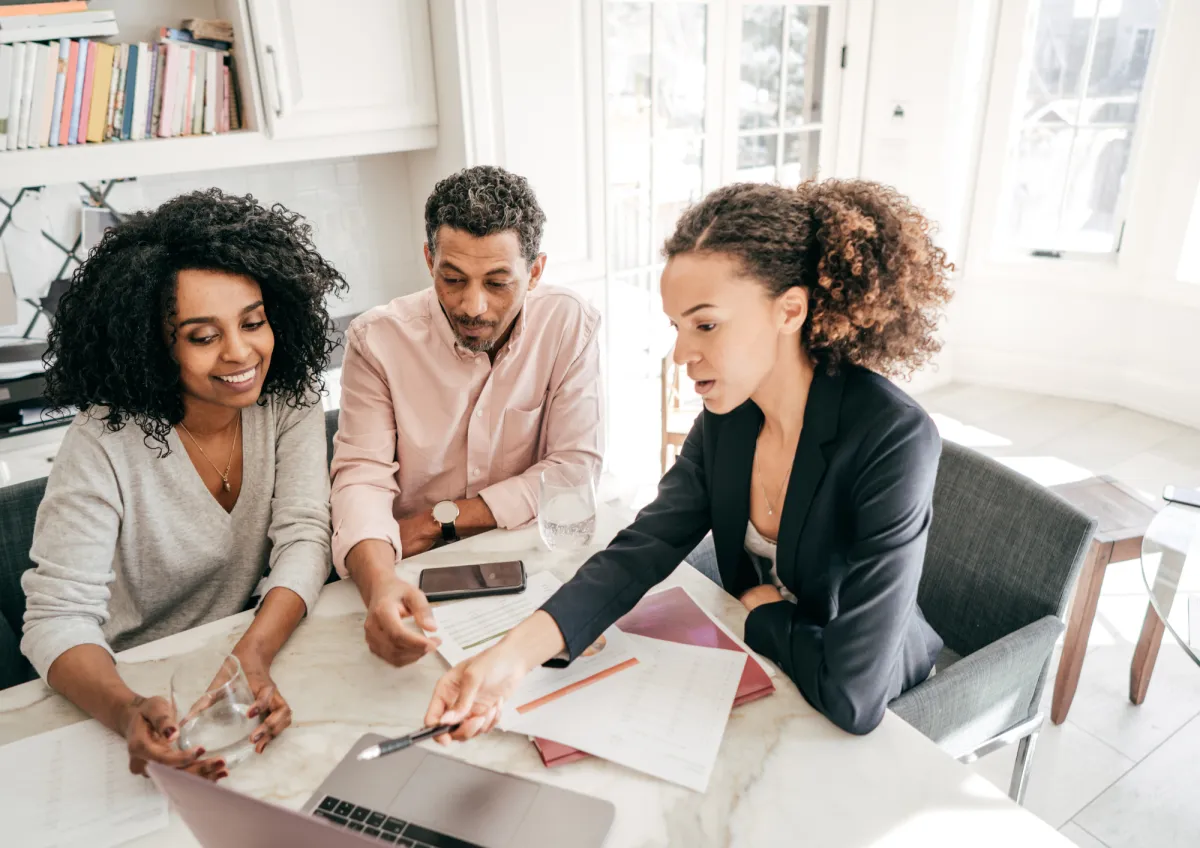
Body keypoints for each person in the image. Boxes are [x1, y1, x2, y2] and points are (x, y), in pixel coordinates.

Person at [423, 179, 954, 739]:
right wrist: (508, 660)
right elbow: (644, 545)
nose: (681, 354)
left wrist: (763, 613)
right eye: (677, 327)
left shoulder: (892, 438)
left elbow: (854, 696)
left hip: (882, 712)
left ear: (790, 310)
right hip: (776, 674)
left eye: (706, 324)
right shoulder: (731, 417)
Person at [21, 189, 346, 780]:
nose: (241, 352)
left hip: (254, 649)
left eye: (253, 322)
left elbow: (305, 535)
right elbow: (55, 619)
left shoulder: (288, 399)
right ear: (154, 345)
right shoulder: (101, 441)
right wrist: (127, 712)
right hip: (134, 684)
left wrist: (254, 652)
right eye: (203, 336)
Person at [330, 165, 603, 669]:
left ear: (536, 272)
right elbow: (360, 479)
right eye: (452, 279)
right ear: (429, 258)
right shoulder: (376, 341)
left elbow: (573, 471)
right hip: (413, 572)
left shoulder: (569, 323)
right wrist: (380, 588)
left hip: (528, 560)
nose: (473, 306)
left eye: (498, 283)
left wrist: (441, 521)